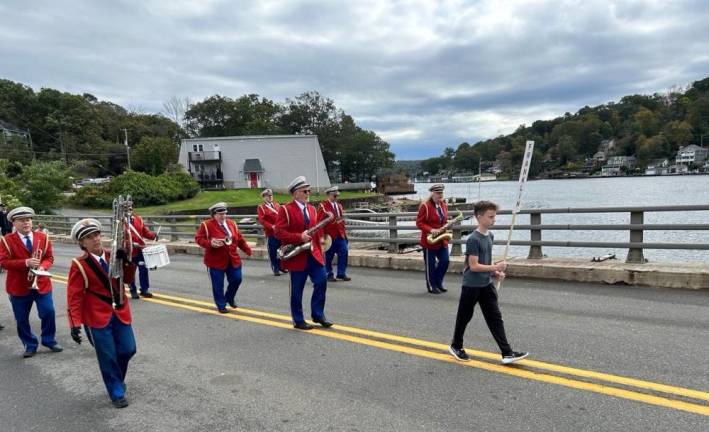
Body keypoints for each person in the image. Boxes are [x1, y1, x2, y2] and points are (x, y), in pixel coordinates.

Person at [447, 200, 528, 365]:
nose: (494, 220)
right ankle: (456, 345)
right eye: (490, 217)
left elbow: (486, 261)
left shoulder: (490, 236)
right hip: (471, 285)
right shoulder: (473, 239)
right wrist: (495, 266)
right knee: (464, 317)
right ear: (479, 217)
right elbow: (474, 266)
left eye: (494, 216)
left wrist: (495, 272)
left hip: (486, 284)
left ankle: (507, 352)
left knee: (495, 318)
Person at [66, 218, 136, 408]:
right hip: (96, 317)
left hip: (120, 311)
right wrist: (74, 324)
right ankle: (116, 391)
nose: (95, 239)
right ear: (82, 243)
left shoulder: (113, 255)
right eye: (89, 237)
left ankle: (117, 379)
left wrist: (127, 260)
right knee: (108, 356)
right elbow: (74, 296)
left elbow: (128, 280)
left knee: (129, 349)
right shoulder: (79, 264)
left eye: (96, 235)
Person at [0, 206, 62, 357]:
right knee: (22, 319)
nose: (26, 223)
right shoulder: (6, 241)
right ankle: (30, 344)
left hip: (41, 283)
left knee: (48, 312)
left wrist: (42, 266)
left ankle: (49, 339)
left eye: (28, 220)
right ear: (14, 223)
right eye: (21, 221)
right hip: (18, 287)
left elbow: (49, 257)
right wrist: (25, 262)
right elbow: (3, 262)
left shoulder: (43, 237)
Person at [275, 176, 332, 330]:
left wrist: (322, 243)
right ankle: (298, 320)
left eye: (309, 190)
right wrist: (298, 236)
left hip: (313, 254)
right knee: (296, 290)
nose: (308, 193)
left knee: (321, 282)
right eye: (304, 191)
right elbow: (278, 232)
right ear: (295, 194)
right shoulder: (285, 209)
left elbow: (317, 231)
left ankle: (318, 314)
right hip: (297, 255)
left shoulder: (312, 209)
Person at [195, 202, 252, 313]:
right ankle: (221, 305)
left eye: (224, 214)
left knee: (237, 279)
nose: (223, 216)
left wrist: (247, 249)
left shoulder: (232, 223)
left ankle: (229, 297)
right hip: (215, 261)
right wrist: (210, 243)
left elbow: (239, 239)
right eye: (220, 214)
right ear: (213, 215)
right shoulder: (206, 225)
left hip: (233, 259)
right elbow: (199, 239)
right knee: (218, 284)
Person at [415, 184, 450, 294]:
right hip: (429, 240)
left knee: (445, 261)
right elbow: (419, 223)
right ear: (433, 194)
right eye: (438, 193)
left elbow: (443, 220)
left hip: (441, 239)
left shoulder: (444, 205)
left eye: (442, 193)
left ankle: (438, 282)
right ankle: (432, 285)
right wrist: (431, 230)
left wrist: (447, 225)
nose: (440, 195)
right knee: (430, 265)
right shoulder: (425, 206)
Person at [318, 186, 350, 282]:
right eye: (334, 195)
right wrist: (321, 238)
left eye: (337, 195)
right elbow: (319, 222)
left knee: (344, 252)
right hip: (329, 236)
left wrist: (345, 235)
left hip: (340, 235)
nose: (336, 197)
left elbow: (342, 221)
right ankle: (328, 274)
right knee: (328, 256)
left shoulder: (339, 206)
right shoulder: (323, 206)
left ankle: (341, 273)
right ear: (329, 194)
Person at [126, 206, 157, 299]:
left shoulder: (138, 219)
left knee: (143, 269)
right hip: (129, 251)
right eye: (126, 209)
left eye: (130, 209)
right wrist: (130, 244)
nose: (129, 211)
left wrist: (153, 236)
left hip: (140, 249)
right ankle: (133, 290)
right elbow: (120, 238)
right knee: (130, 272)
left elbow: (145, 232)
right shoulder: (120, 222)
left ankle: (144, 290)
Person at [257, 188, 286, 276]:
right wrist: (271, 226)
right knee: (273, 251)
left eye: (271, 195)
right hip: (271, 233)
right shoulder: (261, 207)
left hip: (280, 232)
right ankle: (275, 268)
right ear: (264, 197)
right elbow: (262, 220)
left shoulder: (277, 205)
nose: (270, 197)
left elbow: (282, 215)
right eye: (268, 196)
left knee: (281, 250)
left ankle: (281, 266)